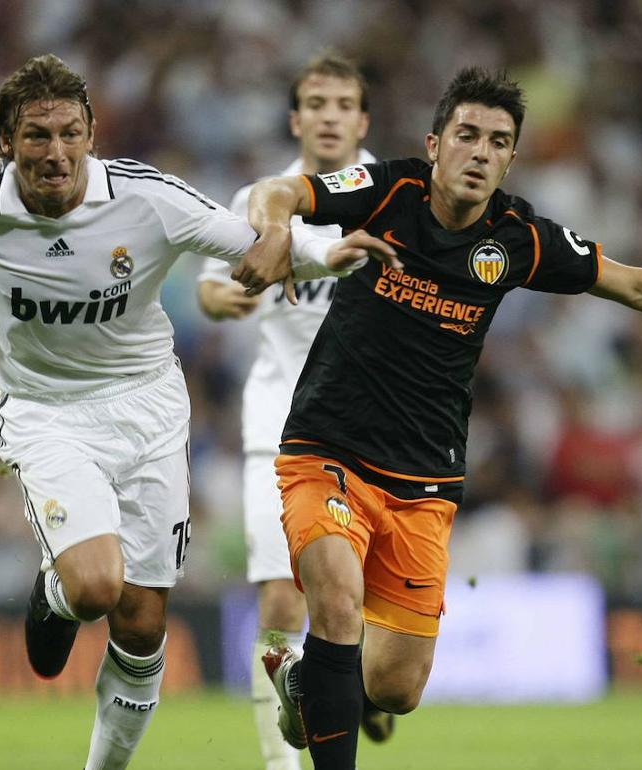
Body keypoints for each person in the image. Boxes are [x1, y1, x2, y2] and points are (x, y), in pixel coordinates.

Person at [233, 67, 642, 770]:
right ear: (435, 144)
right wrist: (276, 228)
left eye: (498, 141)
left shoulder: (517, 237)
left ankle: (309, 681)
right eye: (466, 135)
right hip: (327, 447)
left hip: (424, 479)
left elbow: (636, 286)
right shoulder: (385, 190)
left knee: (394, 689)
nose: (480, 152)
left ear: (511, 159)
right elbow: (279, 191)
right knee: (336, 604)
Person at [0, 54, 392, 770]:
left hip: (149, 407)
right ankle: (56, 593)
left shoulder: (145, 198)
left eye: (70, 133)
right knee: (95, 585)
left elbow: (256, 243)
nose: (55, 152)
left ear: (91, 134)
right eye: (36, 136)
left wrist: (328, 252)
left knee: (144, 624)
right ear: (6, 143)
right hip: (46, 410)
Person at [195, 53, 392, 770]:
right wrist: (227, 297)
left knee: (355, 615)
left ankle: (345, 686)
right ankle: (282, 763)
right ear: (296, 118)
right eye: (317, 102)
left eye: (344, 103)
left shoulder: (395, 196)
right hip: (281, 423)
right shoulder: (261, 197)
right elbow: (211, 289)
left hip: (376, 428)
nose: (330, 115)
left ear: (362, 120)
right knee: (283, 600)